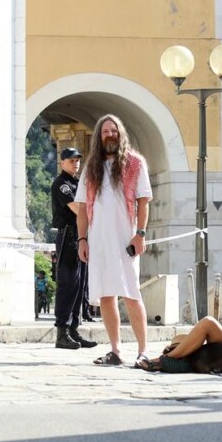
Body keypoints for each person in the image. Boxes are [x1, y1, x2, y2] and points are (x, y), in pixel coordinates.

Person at [71, 114, 152, 367]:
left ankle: (143, 351)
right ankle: (115, 351)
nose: (110, 135)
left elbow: (143, 201)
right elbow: (82, 207)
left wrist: (140, 233)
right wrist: (82, 239)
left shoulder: (135, 164)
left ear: (120, 133)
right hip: (98, 239)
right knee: (106, 295)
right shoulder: (91, 168)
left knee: (131, 293)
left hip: (125, 238)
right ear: (99, 136)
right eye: (105, 131)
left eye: (114, 130)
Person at [51, 147, 96, 349]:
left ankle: (73, 330)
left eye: (77, 160)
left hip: (80, 237)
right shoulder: (62, 184)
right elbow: (78, 209)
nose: (75, 163)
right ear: (62, 163)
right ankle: (62, 333)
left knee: (80, 287)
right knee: (68, 284)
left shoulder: (78, 184)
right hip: (69, 235)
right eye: (71, 160)